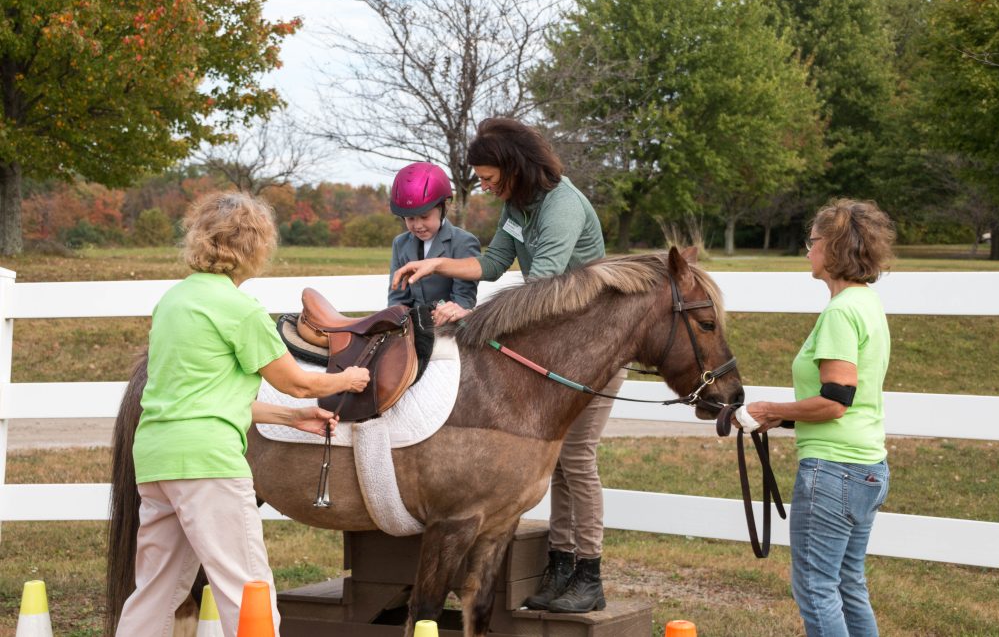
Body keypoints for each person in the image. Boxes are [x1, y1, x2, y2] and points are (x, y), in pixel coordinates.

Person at [391, 117, 625, 613]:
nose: (485, 186)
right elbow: (494, 263)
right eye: (480, 179)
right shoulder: (517, 206)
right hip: (555, 347)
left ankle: (589, 574)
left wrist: (470, 314)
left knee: (576, 459)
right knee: (557, 461)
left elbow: (540, 286)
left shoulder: (561, 207)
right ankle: (561, 567)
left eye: (490, 177)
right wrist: (435, 265)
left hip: (588, 350)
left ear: (515, 166)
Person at [116, 192, 371, 637]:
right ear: (255, 247)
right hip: (209, 464)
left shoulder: (172, 302)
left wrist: (292, 419)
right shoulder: (240, 310)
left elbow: (202, 396)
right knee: (248, 587)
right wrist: (347, 379)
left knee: (154, 590)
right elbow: (298, 381)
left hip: (157, 460)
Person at [743, 198, 895, 637]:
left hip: (833, 472)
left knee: (815, 587)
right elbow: (849, 399)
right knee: (848, 585)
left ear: (833, 247)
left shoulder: (840, 312)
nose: (806, 251)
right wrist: (786, 420)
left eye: (811, 242)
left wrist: (772, 409)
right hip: (865, 466)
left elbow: (835, 400)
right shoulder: (867, 304)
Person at [388, 162, 480, 312]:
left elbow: (464, 299)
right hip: (413, 325)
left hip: (450, 325)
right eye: (410, 218)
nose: (417, 225)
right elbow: (397, 297)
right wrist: (398, 315)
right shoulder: (400, 243)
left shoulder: (463, 242)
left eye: (424, 217)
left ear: (444, 207)